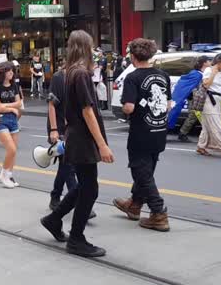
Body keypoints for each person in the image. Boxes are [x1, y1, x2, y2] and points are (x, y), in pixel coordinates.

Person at [40, 30, 113, 258]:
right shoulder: (80, 74)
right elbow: (87, 111)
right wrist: (102, 145)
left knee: (85, 185)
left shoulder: (70, 72)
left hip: (76, 137)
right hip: (82, 139)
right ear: (85, 47)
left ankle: (54, 219)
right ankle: (76, 238)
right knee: (90, 188)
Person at [113, 38, 172, 232]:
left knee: (141, 171)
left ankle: (158, 212)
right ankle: (135, 204)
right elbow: (169, 104)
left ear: (132, 56)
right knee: (146, 170)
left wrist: (124, 107)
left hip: (141, 132)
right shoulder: (163, 75)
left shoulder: (132, 77)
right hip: (159, 131)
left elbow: (129, 107)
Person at [47, 62, 78, 210]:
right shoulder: (59, 78)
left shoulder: (79, 77)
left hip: (73, 128)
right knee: (69, 165)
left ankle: (55, 195)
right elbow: (52, 105)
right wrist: (53, 130)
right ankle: (78, 201)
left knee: (65, 166)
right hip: (59, 127)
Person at [0, 61, 22, 189]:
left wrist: (7, 106)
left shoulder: (14, 85)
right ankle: (3, 174)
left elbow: (19, 103)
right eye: (9, 70)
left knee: (13, 151)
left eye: (12, 70)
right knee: (11, 149)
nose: (11, 73)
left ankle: (9, 175)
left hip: (13, 120)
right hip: (2, 120)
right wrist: (11, 108)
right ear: (3, 72)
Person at [168, 56, 211, 142]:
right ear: (204, 63)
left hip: (200, 98)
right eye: (209, 60)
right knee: (193, 115)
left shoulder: (203, 73)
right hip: (194, 98)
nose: (210, 62)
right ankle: (182, 133)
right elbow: (188, 86)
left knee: (195, 116)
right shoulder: (197, 74)